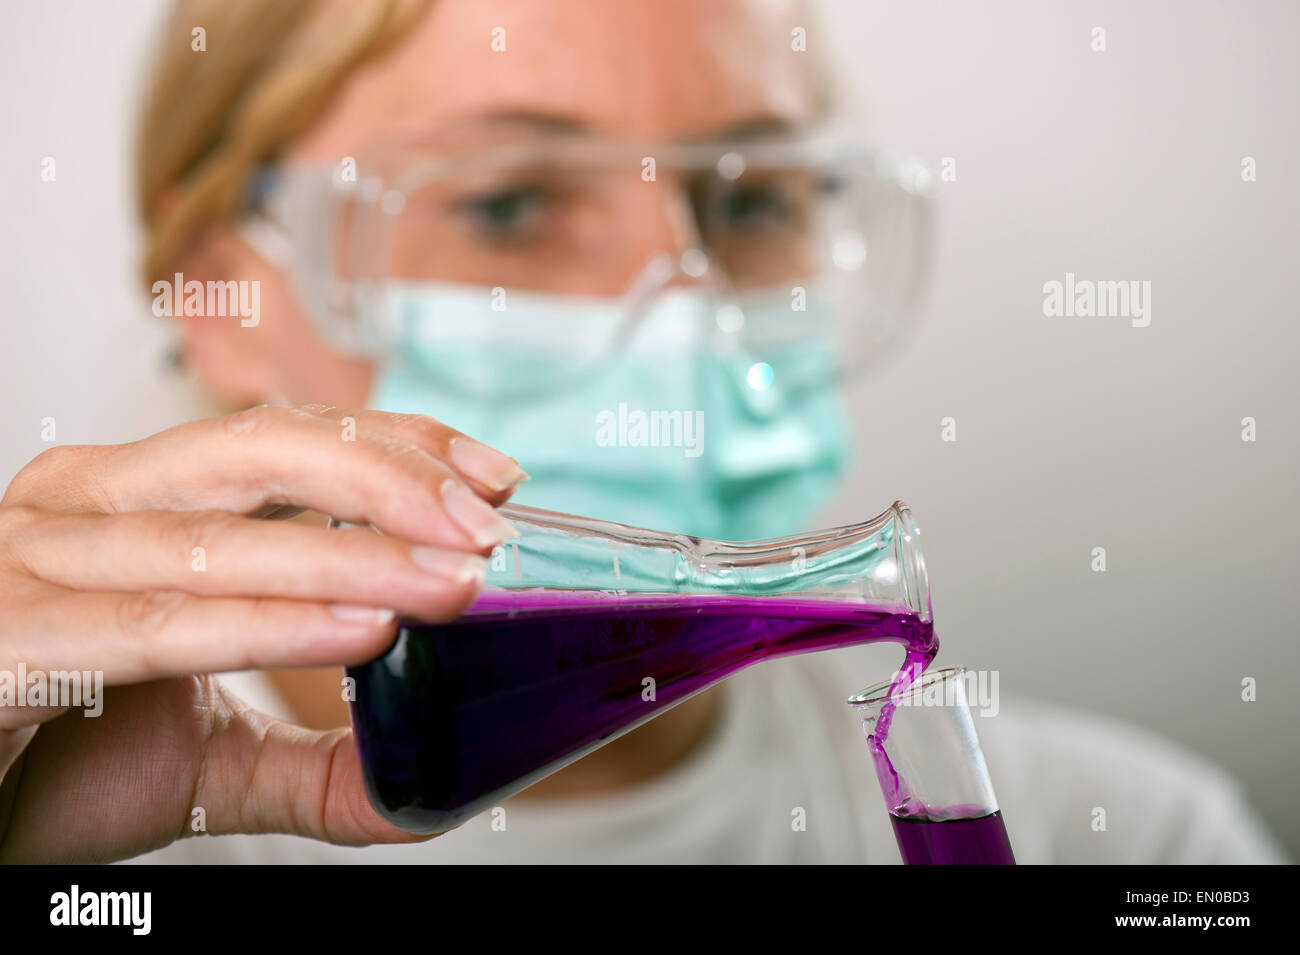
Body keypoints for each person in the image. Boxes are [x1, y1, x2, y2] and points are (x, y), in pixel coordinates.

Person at [0, 0, 1284, 864]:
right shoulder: (63, 817)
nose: (687, 313)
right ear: (224, 286)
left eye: (751, 198)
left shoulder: (1134, 838)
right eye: (509, 206)